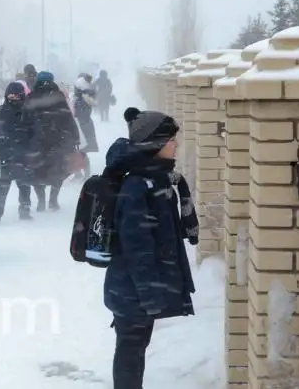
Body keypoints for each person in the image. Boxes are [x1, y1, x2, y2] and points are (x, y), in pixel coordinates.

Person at [103, 107, 197, 388]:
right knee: (130, 353)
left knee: (135, 350)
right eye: (171, 140)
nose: (176, 144)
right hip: (132, 290)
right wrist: (149, 294)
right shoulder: (138, 187)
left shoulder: (155, 180)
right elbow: (137, 248)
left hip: (135, 289)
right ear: (155, 145)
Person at [25, 71, 79, 210]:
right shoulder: (58, 96)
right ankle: (53, 200)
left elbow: (25, 118)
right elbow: (68, 117)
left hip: (37, 141)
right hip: (57, 139)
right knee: (58, 170)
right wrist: (75, 137)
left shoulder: (31, 96)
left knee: (37, 171)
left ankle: (41, 200)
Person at [0, 82, 33, 222]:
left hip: (22, 156)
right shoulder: (0, 111)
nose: (13, 98)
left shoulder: (27, 113)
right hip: (3, 155)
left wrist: (32, 150)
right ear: (6, 95)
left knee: (24, 185)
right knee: (1, 187)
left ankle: (25, 209)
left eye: (17, 96)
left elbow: (36, 133)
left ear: (22, 96)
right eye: (11, 95)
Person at [73, 73, 99, 179]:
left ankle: (85, 174)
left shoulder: (83, 98)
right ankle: (78, 173)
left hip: (82, 127)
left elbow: (80, 113)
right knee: (77, 151)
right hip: (83, 126)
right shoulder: (83, 96)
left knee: (81, 152)